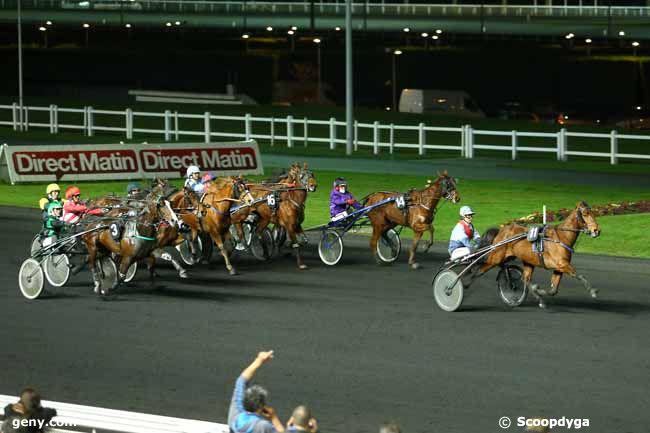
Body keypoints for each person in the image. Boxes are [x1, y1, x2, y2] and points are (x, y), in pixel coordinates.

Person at [228, 351, 285, 433]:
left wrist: (258, 360)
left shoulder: (235, 416)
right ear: (261, 407)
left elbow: (241, 381)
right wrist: (273, 417)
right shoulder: (263, 426)